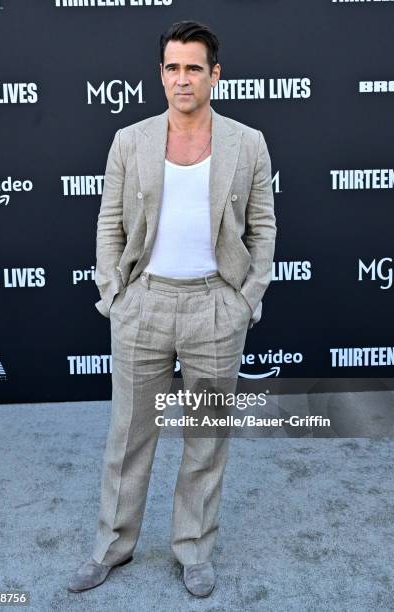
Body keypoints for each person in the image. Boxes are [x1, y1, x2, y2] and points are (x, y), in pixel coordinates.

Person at [68, 20, 276, 598]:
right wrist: (116, 295)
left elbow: (264, 229)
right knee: (129, 434)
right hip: (145, 302)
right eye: (171, 67)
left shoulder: (247, 143)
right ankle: (112, 546)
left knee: (205, 439)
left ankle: (194, 550)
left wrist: (244, 301)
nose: (181, 78)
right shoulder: (130, 140)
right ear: (160, 75)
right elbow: (109, 224)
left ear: (215, 74)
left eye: (193, 67)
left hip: (216, 305)